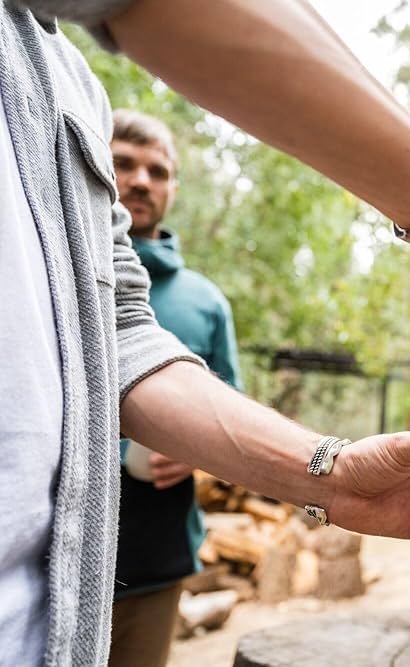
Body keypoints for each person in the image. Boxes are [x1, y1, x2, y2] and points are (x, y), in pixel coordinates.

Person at [0, 2, 410, 666]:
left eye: (158, 170)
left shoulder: (71, 89)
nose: (140, 181)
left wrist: (333, 476)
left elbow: (123, 337)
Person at [108, 109, 243, 667]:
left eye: (157, 171)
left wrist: (194, 455)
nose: (141, 180)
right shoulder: (50, 268)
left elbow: (228, 410)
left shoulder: (204, 302)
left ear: (173, 188)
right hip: (39, 550)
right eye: (123, 164)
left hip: (155, 554)